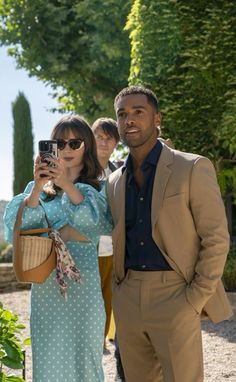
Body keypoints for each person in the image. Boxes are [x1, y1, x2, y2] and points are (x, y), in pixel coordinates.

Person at [105, 85, 233, 382]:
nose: (129, 120)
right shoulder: (113, 181)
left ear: (157, 118)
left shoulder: (191, 167)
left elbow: (215, 238)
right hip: (128, 298)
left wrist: (193, 299)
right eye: (122, 114)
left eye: (139, 112)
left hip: (176, 294)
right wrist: (120, 293)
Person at [4, 115, 112, 382]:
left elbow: (97, 224)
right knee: (48, 360)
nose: (66, 149)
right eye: (60, 143)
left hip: (84, 287)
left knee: (85, 360)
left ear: (86, 146)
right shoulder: (36, 189)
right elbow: (15, 230)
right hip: (45, 288)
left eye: (74, 143)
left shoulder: (97, 189)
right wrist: (38, 187)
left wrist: (65, 183)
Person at [92, 118, 126, 381]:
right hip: (87, 247)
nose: (104, 142)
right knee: (92, 298)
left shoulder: (119, 171)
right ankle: (94, 342)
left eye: (109, 138)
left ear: (116, 142)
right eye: (99, 137)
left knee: (110, 297)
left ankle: (105, 340)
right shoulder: (83, 170)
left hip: (113, 247)